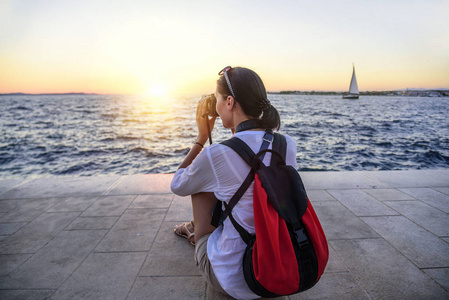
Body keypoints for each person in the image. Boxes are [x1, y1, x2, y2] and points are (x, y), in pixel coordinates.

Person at [171, 66, 297, 299]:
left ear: (229, 102)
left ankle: (196, 232)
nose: (216, 108)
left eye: (218, 100)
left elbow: (178, 184)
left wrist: (201, 138)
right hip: (279, 268)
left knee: (200, 184)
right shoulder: (286, 144)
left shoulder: (216, 154)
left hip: (235, 281)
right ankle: (196, 229)